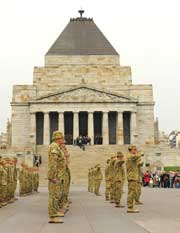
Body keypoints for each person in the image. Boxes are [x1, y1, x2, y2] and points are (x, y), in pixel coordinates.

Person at [48, 131, 65, 224]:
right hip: (56, 175)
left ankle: (55, 212)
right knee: (53, 196)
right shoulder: (54, 147)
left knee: (56, 195)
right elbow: (53, 162)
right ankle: (52, 216)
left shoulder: (56, 147)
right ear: (58, 138)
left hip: (59, 175)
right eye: (62, 138)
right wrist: (52, 176)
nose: (63, 140)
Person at [126, 145, 143, 213]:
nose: (135, 151)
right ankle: (130, 207)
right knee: (131, 192)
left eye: (136, 149)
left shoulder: (132, 157)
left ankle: (131, 206)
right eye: (134, 149)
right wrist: (140, 153)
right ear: (131, 150)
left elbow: (135, 163)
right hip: (132, 177)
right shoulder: (130, 156)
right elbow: (136, 156)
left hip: (134, 176)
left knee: (132, 192)